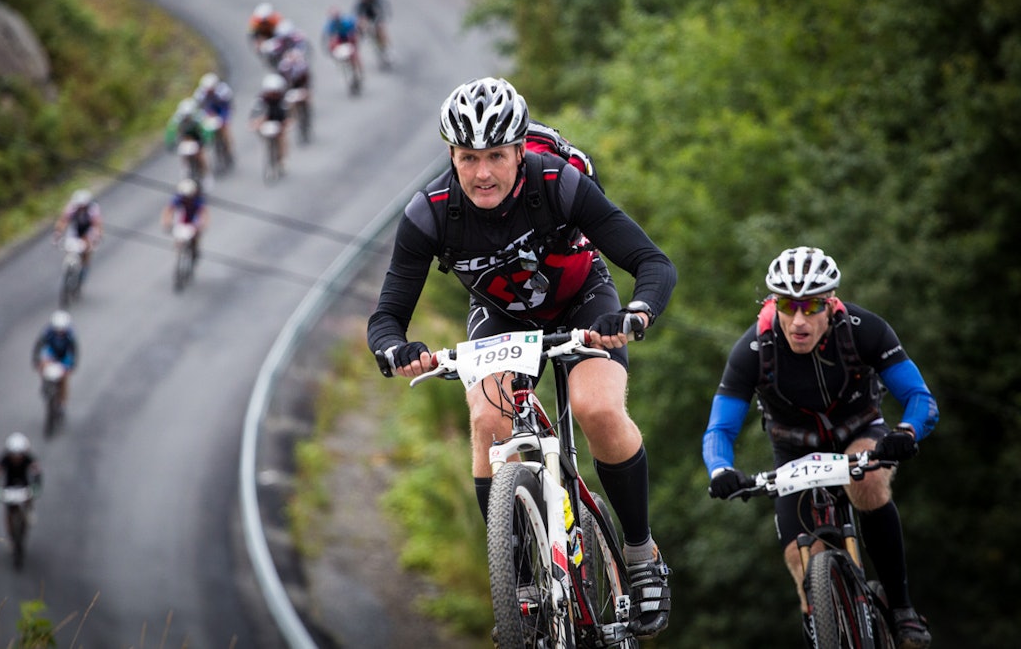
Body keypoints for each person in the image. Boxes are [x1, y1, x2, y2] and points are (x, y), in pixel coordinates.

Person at [366, 77, 677, 637]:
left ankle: (640, 553)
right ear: (451, 156)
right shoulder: (430, 213)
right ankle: (519, 581)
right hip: (502, 317)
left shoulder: (559, 182)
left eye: (495, 156)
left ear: (518, 152)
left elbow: (653, 263)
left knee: (597, 407)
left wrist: (636, 313)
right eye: (468, 158)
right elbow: (386, 317)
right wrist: (397, 350)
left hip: (583, 300)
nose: (482, 173)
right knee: (489, 420)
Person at [702, 246, 938, 648]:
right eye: (787, 306)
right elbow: (719, 428)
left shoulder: (865, 330)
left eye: (810, 307)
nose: (799, 321)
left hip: (859, 432)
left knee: (867, 484)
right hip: (793, 449)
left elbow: (920, 398)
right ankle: (824, 626)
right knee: (799, 560)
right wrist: (721, 469)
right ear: (774, 305)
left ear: (830, 305)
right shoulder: (753, 349)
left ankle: (901, 608)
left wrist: (907, 431)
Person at [0, 432, 42, 522]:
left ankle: (29, 509)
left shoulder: (28, 458)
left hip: (24, 482)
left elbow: (37, 471)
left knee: (29, 497)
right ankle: (10, 526)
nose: (16, 457)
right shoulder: (4, 458)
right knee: (9, 508)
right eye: (13, 454)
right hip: (9, 484)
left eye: (19, 454)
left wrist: (36, 485)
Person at [33, 310, 79, 406]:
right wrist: (36, 360)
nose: (59, 332)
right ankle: (45, 385)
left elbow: (74, 350)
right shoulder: (47, 332)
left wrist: (72, 364)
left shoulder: (70, 335)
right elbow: (38, 346)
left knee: (64, 378)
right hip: (51, 354)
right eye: (57, 329)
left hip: (64, 356)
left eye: (62, 330)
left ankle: (62, 400)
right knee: (43, 366)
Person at [53, 189, 103, 277]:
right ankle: (70, 263)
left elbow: (97, 224)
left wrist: (97, 237)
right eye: (79, 206)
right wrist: (58, 234)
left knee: (87, 249)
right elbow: (63, 221)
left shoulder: (93, 209)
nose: (81, 208)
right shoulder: (71, 208)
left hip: (88, 229)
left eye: (83, 206)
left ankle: (84, 269)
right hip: (75, 227)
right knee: (70, 246)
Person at [249, 73, 290, 172]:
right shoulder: (260, 100)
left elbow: (287, 116)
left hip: (278, 119)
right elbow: (254, 115)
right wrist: (255, 124)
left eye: (275, 93)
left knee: (282, 137)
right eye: (270, 92)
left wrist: (285, 124)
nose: (272, 95)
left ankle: (282, 158)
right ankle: (269, 148)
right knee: (261, 130)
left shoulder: (283, 100)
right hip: (266, 122)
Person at [193, 72, 234, 170]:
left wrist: (223, 119)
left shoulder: (223, 91)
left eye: (211, 89)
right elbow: (199, 109)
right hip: (209, 111)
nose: (209, 91)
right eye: (208, 90)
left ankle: (229, 148)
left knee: (225, 129)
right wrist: (205, 117)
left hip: (222, 110)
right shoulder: (199, 94)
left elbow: (227, 107)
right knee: (205, 127)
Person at [162, 177, 209, 259]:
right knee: (178, 235)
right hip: (182, 219)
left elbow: (203, 213)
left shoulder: (197, 200)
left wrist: (203, 224)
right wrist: (166, 221)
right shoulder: (178, 199)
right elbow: (169, 210)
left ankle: (195, 249)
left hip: (193, 219)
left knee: (196, 234)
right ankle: (178, 248)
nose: (187, 199)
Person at [165, 97, 209, 182]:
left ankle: (205, 175)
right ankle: (186, 170)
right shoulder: (176, 119)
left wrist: (206, 139)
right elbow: (171, 131)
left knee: (200, 154)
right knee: (183, 153)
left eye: (189, 116)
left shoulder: (198, 116)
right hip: (184, 136)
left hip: (197, 135)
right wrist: (169, 142)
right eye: (185, 116)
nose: (187, 117)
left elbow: (206, 128)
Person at [354, 0, 391, 67]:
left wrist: (381, 20)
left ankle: (387, 48)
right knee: (361, 26)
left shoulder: (377, 1)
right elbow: (356, 15)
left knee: (380, 28)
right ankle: (365, 36)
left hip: (377, 18)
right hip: (367, 19)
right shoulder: (361, 4)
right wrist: (359, 24)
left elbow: (384, 10)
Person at [322, 8, 363, 81]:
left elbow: (357, 28)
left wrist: (357, 34)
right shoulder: (330, 25)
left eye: (336, 17)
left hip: (349, 38)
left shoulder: (347, 21)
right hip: (340, 40)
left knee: (355, 54)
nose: (336, 19)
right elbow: (328, 38)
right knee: (334, 43)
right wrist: (330, 50)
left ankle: (359, 71)